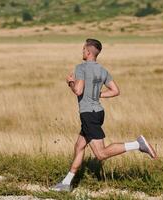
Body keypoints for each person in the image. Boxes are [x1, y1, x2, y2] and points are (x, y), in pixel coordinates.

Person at [51, 38, 157, 192]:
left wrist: (70, 82)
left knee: (100, 154)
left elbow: (78, 91)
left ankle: (137, 144)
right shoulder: (102, 70)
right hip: (98, 112)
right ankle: (66, 183)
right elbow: (115, 91)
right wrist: (97, 94)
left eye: (83, 49)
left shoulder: (81, 68)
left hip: (89, 114)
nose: (82, 52)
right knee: (79, 146)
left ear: (88, 52)